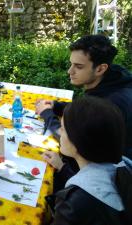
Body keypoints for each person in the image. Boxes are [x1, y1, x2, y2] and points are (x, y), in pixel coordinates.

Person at [35, 35, 132, 190]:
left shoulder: (110, 104)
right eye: (71, 64)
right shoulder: (112, 79)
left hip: (107, 181)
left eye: (78, 67)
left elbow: (73, 141)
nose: (69, 71)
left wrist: (47, 114)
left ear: (101, 68)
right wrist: (57, 106)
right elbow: (86, 112)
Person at [50, 96, 131, 225]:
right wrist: (62, 168)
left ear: (78, 142)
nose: (59, 131)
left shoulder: (72, 204)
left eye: (63, 128)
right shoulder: (124, 166)